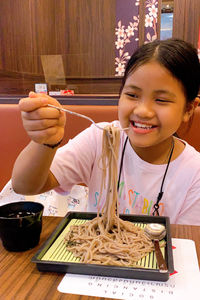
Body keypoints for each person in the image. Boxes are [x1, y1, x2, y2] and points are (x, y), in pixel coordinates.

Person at [12, 38, 200, 225]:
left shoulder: (194, 174)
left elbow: (184, 244)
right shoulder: (101, 137)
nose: (142, 111)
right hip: (93, 252)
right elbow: (25, 186)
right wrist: (45, 141)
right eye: (132, 95)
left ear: (189, 109)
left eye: (161, 100)